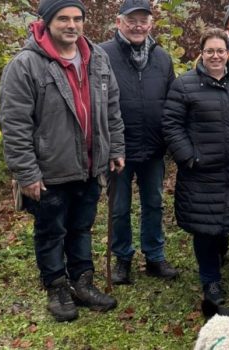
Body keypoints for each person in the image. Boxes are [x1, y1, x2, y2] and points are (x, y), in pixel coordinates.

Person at [0, 0, 124, 322]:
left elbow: (111, 108)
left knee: (81, 228)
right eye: (64, 18)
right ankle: (56, 287)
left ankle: (82, 283)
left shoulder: (97, 58)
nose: (72, 25)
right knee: (51, 230)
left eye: (77, 18)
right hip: (49, 170)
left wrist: (116, 148)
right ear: (46, 22)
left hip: (90, 165)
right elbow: (14, 124)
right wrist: (27, 173)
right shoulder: (26, 65)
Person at [162, 28, 229, 306]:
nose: (216, 56)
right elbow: (171, 125)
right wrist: (189, 156)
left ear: (228, 53)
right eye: (210, 51)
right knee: (206, 228)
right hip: (203, 173)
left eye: (220, 51)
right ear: (202, 53)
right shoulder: (185, 85)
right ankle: (211, 281)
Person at [100, 0, 178, 285]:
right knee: (119, 207)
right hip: (118, 148)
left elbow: (172, 102)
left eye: (143, 20)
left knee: (154, 203)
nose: (137, 25)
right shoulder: (102, 55)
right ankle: (122, 258)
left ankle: (155, 257)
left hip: (154, 146)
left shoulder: (162, 57)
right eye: (131, 20)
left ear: (151, 24)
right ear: (118, 22)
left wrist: (170, 140)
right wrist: (106, 144)